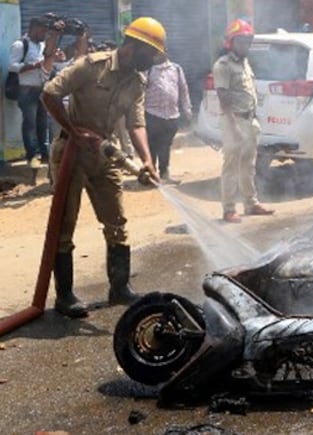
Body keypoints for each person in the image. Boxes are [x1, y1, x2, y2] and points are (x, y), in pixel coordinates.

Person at [40, 17, 165, 318]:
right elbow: (49, 94)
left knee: (117, 222)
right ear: (134, 46)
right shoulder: (90, 66)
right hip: (70, 151)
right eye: (148, 56)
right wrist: (73, 129)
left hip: (104, 153)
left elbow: (136, 123)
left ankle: (119, 288)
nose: (149, 63)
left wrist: (146, 160)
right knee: (65, 224)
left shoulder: (137, 80)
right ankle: (65, 296)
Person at [212, 19, 274, 223]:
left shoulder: (245, 63)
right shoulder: (223, 65)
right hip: (234, 122)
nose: (245, 45)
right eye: (241, 41)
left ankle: (251, 203)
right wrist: (233, 127)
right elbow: (223, 98)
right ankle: (228, 209)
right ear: (231, 42)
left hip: (249, 121)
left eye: (248, 41)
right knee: (231, 167)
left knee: (248, 165)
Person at [7, 16, 53, 168]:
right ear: (34, 28)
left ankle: (45, 154)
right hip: (26, 90)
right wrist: (33, 65)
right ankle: (32, 155)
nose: (44, 34)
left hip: (41, 89)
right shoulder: (20, 45)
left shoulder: (42, 45)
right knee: (30, 123)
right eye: (42, 31)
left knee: (43, 123)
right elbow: (12, 66)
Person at [144, 55, 192, 183]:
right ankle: (151, 174)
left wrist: (187, 110)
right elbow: (141, 92)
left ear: (165, 52)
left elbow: (183, 90)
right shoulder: (149, 70)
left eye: (159, 51)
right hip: (152, 114)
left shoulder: (176, 69)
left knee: (165, 145)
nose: (157, 55)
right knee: (152, 145)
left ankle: (164, 173)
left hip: (171, 115)